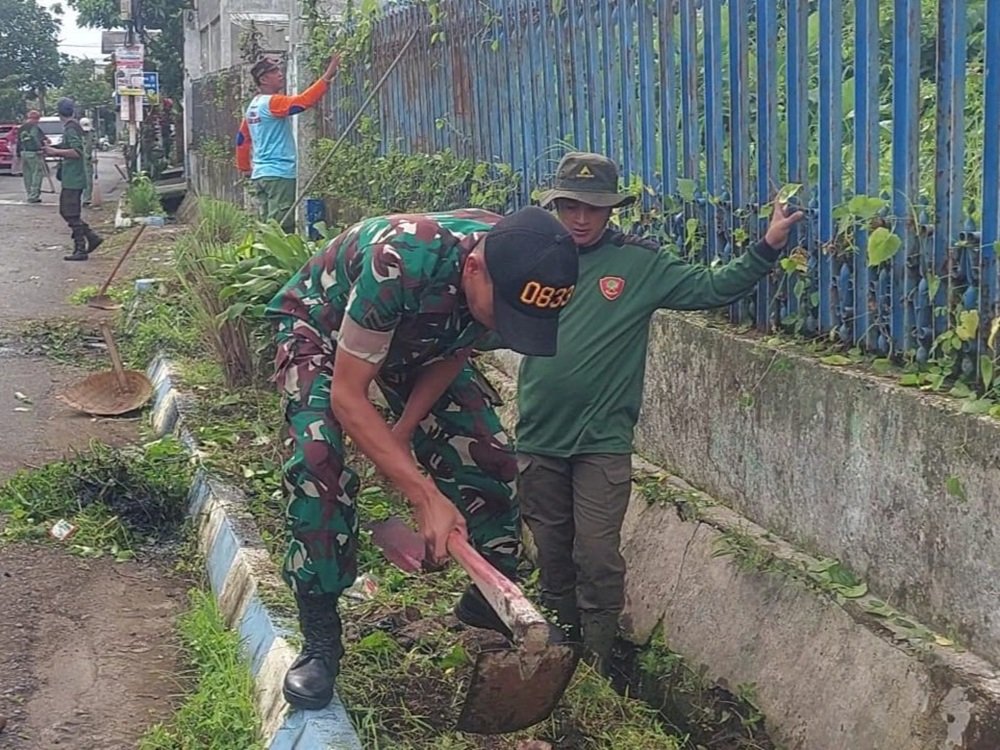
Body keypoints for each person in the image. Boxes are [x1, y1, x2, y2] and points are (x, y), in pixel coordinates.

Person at [265, 206, 579, 710]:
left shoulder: (520, 262)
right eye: (503, 314)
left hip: (419, 342)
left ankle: (492, 604)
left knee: (489, 458)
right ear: (474, 268)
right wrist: (422, 493)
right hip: (323, 333)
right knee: (318, 461)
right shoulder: (401, 258)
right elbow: (349, 396)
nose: (505, 326)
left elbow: (458, 343)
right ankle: (321, 640)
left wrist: (404, 433)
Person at [515, 152, 805, 674]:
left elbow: (713, 287)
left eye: (594, 209)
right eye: (570, 207)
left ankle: (597, 665)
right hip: (538, 437)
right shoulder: (533, 258)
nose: (581, 219)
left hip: (602, 441)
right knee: (553, 555)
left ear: (612, 211)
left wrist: (767, 247)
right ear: (555, 206)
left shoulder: (640, 265)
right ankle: (558, 657)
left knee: (598, 556)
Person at [236, 53, 340, 233]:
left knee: (268, 226)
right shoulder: (272, 102)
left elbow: (242, 138)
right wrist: (328, 75)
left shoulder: (254, 105)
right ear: (263, 79)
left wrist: (245, 167)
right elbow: (302, 103)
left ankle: (264, 258)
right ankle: (280, 260)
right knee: (281, 228)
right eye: (274, 71)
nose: (280, 74)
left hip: (261, 174)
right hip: (279, 174)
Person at [42, 98, 103, 261]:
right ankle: (90, 237)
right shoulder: (74, 127)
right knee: (68, 211)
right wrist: (53, 149)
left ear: (59, 112)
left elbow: (76, 152)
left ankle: (81, 247)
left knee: (70, 212)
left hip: (74, 177)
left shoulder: (71, 128)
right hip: (74, 176)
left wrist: (55, 152)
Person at [16, 110, 46, 204]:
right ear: (35, 118)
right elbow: (35, 138)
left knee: (27, 175)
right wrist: (40, 148)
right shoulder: (34, 127)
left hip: (23, 152)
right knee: (37, 174)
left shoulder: (21, 127)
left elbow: (18, 141)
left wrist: (18, 153)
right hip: (33, 152)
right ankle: (34, 195)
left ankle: (29, 194)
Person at [79, 117, 96, 206]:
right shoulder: (77, 133)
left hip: (88, 160)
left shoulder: (91, 133)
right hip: (78, 159)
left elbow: (92, 145)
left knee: (89, 180)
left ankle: (86, 199)